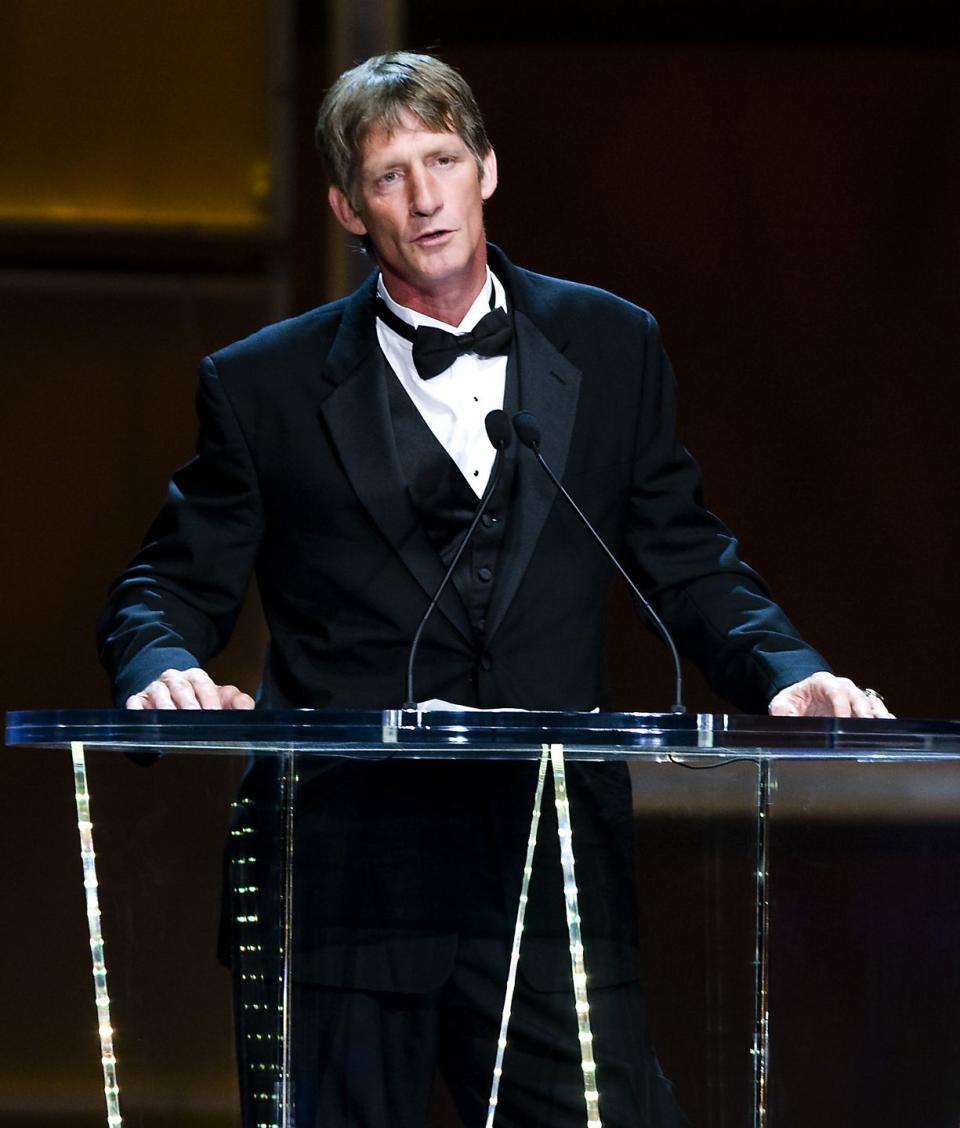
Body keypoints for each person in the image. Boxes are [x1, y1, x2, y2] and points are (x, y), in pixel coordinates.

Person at [97, 51, 892, 1128]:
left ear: (488, 170)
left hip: (551, 874)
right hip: (344, 888)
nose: (423, 198)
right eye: (388, 176)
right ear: (345, 206)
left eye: (443, 160)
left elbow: (688, 556)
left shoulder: (611, 345)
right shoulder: (261, 386)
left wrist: (789, 675)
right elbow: (162, 590)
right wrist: (165, 667)